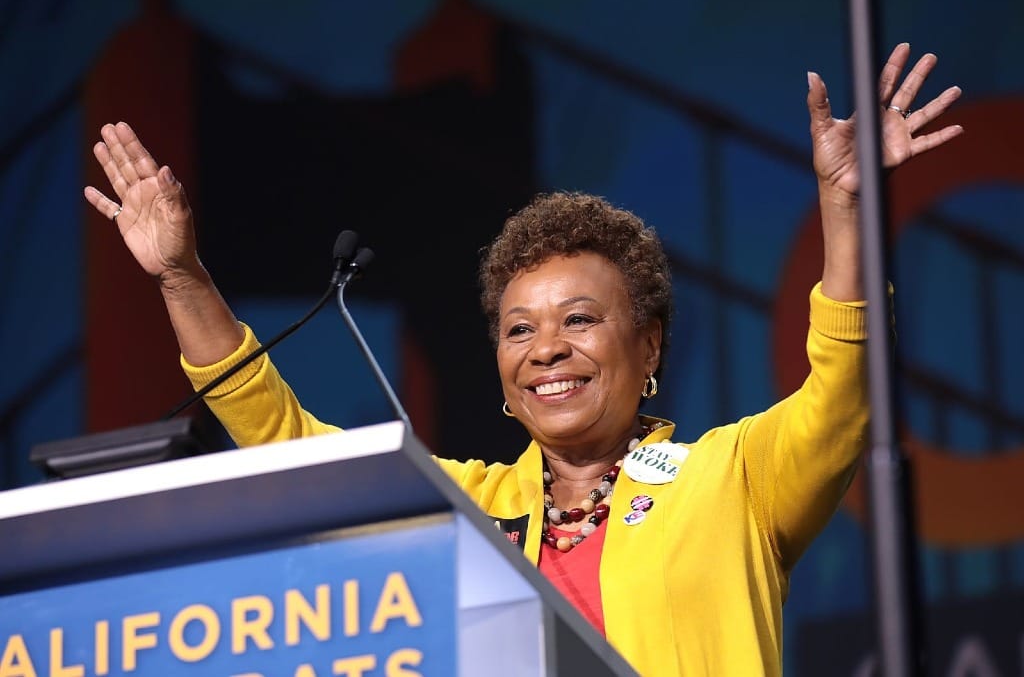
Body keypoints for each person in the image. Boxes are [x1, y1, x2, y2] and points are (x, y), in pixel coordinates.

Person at [84, 43, 962, 676]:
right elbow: (287, 441)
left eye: (580, 319)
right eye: (518, 330)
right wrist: (181, 276)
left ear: (649, 344)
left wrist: (846, 209)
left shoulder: (734, 477)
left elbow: (844, 383)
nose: (546, 348)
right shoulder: (469, 506)